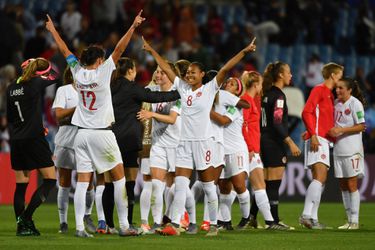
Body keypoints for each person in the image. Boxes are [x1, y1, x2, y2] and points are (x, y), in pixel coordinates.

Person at [142, 36, 257, 236]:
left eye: (193, 73)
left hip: (204, 144)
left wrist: (244, 52)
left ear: (203, 74)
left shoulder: (210, 89)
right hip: (184, 144)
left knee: (208, 186)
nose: (189, 75)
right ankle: (175, 224)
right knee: (180, 183)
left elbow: (225, 69)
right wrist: (151, 51)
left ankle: (212, 224)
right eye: (187, 73)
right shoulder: (183, 89)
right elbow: (168, 69)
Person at [46, 11, 145, 237]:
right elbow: (120, 48)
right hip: (102, 133)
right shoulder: (103, 72)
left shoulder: (77, 72)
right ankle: (124, 226)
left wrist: (53, 31)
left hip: (80, 135)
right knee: (119, 177)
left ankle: (80, 228)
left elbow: (65, 51)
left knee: (82, 181)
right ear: (100, 61)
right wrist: (132, 26)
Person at [110, 57, 180, 229]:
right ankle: (150, 222)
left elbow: (172, 119)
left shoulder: (179, 94)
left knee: (178, 185)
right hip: (154, 144)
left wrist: (151, 115)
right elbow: (142, 96)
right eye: (157, 71)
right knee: (154, 183)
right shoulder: (148, 89)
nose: (158, 74)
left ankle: (177, 218)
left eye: (163, 72)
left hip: (177, 144)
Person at [6, 57, 57, 236]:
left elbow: (10, 118)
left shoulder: (11, 88)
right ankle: (27, 217)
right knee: (50, 180)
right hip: (34, 139)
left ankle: (21, 226)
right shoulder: (35, 84)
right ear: (37, 71)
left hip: (17, 140)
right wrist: (42, 63)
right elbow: (55, 75)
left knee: (21, 186)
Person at [241, 71, 288, 230]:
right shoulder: (246, 101)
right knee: (233, 189)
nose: (263, 87)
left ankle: (268, 222)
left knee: (260, 186)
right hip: (248, 150)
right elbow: (244, 126)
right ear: (255, 85)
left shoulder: (253, 100)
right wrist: (249, 148)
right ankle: (221, 221)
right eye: (260, 84)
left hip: (254, 149)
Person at [299, 63, 344, 229]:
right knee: (320, 178)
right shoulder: (319, 89)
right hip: (318, 139)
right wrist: (313, 134)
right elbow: (306, 111)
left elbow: (319, 117)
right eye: (340, 74)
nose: (341, 78)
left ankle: (313, 218)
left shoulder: (330, 95)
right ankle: (305, 215)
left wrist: (311, 131)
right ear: (333, 75)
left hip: (324, 139)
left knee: (321, 181)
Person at [259, 61, 301, 229]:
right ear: (280, 75)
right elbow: (277, 122)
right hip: (274, 142)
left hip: (263, 139)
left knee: (265, 183)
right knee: (273, 182)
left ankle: (252, 218)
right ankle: (274, 221)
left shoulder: (266, 93)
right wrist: (290, 142)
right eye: (288, 72)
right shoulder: (279, 96)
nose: (291, 75)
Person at [210, 77, 250, 230]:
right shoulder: (218, 102)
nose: (228, 84)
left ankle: (246, 218)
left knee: (239, 186)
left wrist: (206, 110)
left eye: (233, 84)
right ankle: (225, 222)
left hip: (236, 150)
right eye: (227, 82)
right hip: (221, 150)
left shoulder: (236, 107)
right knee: (224, 188)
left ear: (237, 91)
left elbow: (223, 121)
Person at [328, 77, 366, 230]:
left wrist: (341, 130)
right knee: (343, 186)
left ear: (349, 90)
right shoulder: (336, 104)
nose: (337, 90)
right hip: (338, 149)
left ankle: (355, 221)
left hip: (352, 150)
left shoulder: (355, 103)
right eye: (336, 88)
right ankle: (349, 219)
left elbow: (362, 126)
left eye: (341, 88)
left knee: (351, 184)